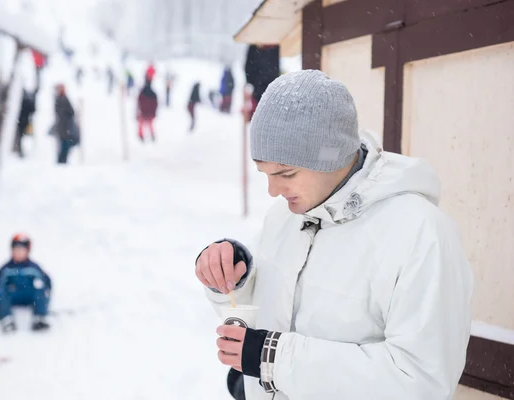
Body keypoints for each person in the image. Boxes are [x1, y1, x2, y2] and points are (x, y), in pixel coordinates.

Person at [194, 70, 473, 400]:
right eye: (265, 173)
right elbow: (270, 308)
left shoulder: (421, 235)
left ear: (331, 157)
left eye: (286, 173)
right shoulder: (286, 216)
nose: (272, 190)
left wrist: (274, 358)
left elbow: (420, 380)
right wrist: (235, 274)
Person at [0, 234, 51, 333]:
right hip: (13, 296)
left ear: (27, 251)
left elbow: (47, 283)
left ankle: (39, 317)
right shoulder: (6, 268)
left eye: (21, 249)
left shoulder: (34, 268)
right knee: (1, 292)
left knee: (40, 286)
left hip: (30, 296)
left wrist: (45, 295)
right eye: (16, 249)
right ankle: (7, 319)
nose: (18, 252)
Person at [244, 45, 279, 121]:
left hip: (263, 86)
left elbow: (248, 68)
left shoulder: (273, 46)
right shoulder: (255, 45)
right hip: (264, 86)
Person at [54, 84, 79, 164]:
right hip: (64, 127)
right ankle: (61, 160)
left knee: (65, 144)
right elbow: (70, 111)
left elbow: (71, 112)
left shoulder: (62, 98)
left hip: (65, 126)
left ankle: (62, 160)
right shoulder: (60, 99)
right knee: (64, 145)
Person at [13, 89, 36, 158]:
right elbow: (33, 110)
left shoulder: (20, 101)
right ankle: (19, 150)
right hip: (24, 120)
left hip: (20, 120)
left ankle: (19, 149)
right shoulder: (28, 101)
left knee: (20, 136)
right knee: (22, 136)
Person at [136, 77, 158, 142]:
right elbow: (155, 104)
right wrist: (153, 112)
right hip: (149, 112)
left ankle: (141, 135)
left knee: (141, 124)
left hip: (143, 112)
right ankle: (151, 134)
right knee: (149, 124)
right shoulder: (153, 93)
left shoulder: (142, 92)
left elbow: (139, 102)